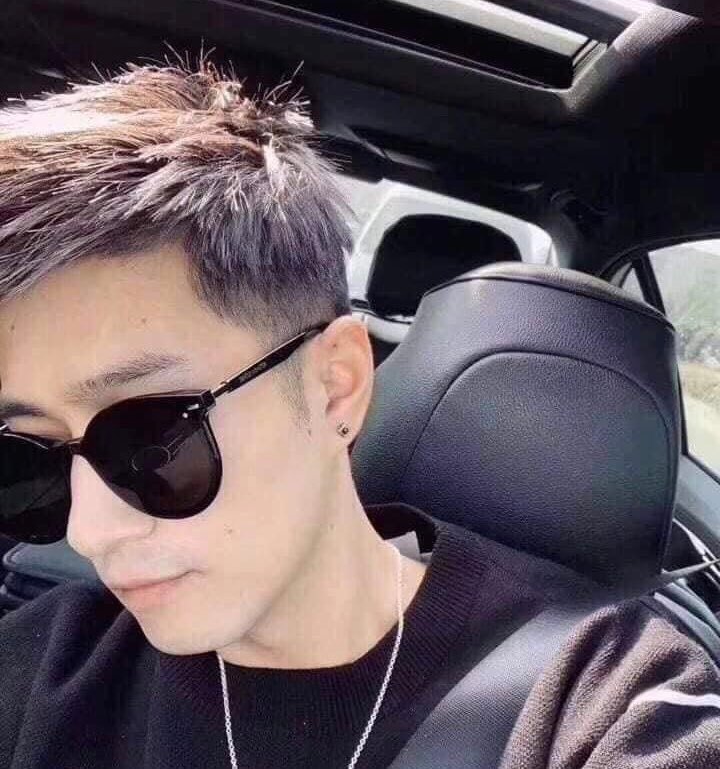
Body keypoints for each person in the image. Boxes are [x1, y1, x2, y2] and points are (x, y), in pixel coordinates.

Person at [0, 59, 717, 769]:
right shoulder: (39, 666)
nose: (87, 533)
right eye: (31, 457)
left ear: (335, 386)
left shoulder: (604, 699)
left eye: (149, 441)